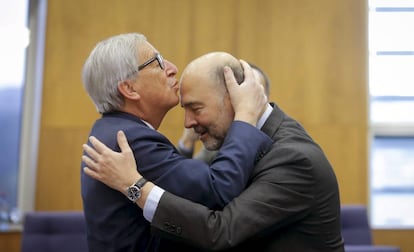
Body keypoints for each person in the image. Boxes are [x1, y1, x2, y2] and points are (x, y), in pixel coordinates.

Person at [82, 52, 345, 251]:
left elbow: (220, 230)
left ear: (234, 100)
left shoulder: (294, 158)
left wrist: (135, 186)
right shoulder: (239, 141)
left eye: (196, 109)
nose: (187, 123)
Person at [80, 33, 273, 252]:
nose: (172, 68)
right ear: (129, 89)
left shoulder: (117, 131)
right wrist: (246, 115)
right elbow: (219, 188)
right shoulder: (129, 140)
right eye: (158, 63)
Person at [177, 62, 271, 164]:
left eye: (253, 93)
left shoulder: (281, 145)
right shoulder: (221, 138)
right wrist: (187, 142)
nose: (246, 98)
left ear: (263, 99)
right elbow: (193, 177)